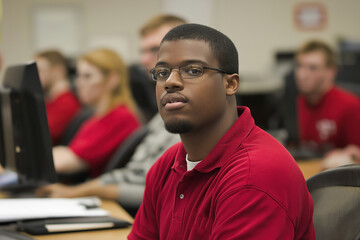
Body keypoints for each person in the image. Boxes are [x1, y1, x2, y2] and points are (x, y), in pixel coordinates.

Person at [128, 24, 315, 239]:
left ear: (230, 84)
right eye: (162, 72)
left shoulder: (255, 175)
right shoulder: (168, 165)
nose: (170, 82)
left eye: (193, 70)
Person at [37, 15, 185, 211]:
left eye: (154, 50)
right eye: (142, 51)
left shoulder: (122, 117)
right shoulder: (161, 116)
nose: (142, 60)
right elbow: (135, 174)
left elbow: (168, 192)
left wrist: (81, 191)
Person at [53, 49, 140, 177]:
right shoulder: (96, 117)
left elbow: (66, 162)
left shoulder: (120, 118)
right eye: (78, 76)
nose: (78, 83)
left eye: (87, 76)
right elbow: (70, 152)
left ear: (112, 80)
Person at [295, 40, 360, 169]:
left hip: (337, 178)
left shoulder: (350, 105)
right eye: (299, 66)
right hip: (305, 172)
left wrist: (348, 155)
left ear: (331, 72)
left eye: (312, 68)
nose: (302, 74)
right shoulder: (295, 104)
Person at [35, 50, 81, 145]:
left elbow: (40, 136)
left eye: (39, 70)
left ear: (58, 71)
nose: (35, 76)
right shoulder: (48, 100)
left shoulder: (67, 103)